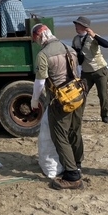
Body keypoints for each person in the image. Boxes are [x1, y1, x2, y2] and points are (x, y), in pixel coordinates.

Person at [30, 23, 85, 190]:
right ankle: (77, 163)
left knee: (60, 135)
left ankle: (72, 176)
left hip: (61, 101)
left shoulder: (43, 55)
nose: (37, 43)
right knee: (75, 131)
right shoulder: (69, 48)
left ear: (39, 37)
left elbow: (40, 81)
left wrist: (34, 100)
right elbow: (78, 72)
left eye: (36, 40)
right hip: (78, 94)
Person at [72, 16, 108, 123]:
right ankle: (78, 116)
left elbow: (106, 44)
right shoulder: (75, 39)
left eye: (78, 25)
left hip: (99, 69)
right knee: (81, 94)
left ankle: (105, 115)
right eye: (76, 24)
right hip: (85, 72)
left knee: (102, 94)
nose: (76, 27)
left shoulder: (93, 37)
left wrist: (94, 35)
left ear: (85, 27)